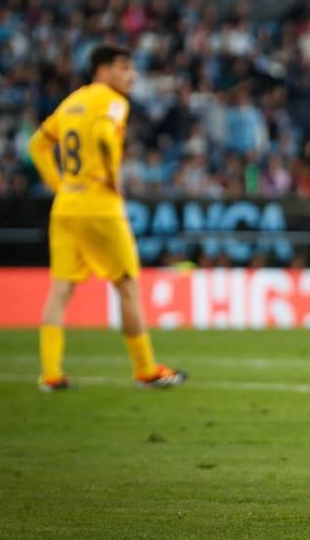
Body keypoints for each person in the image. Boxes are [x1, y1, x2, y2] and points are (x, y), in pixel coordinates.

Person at [27, 44, 186, 392]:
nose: (131, 75)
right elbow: (102, 135)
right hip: (100, 205)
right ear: (103, 71)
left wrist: (60, 184)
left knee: (61, 289)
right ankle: (145, 369)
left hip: (67, 204)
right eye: (124, 67)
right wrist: (113, 177)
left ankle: (50, 373)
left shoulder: (71, 101)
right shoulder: (113, 101)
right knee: (127, 285)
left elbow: (37, 144)